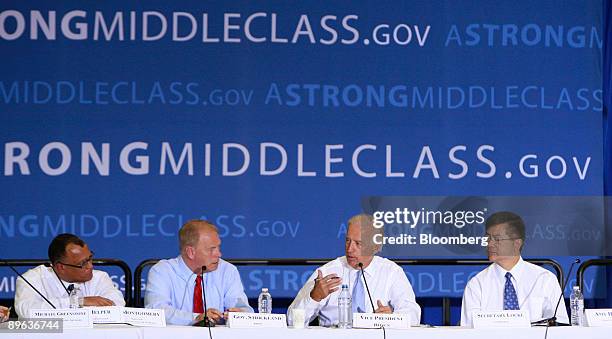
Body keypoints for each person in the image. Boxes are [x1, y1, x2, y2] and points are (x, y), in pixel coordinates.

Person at [287, 214, 421, 327]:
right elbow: (292, 321)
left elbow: (413, 314)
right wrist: (314, 297)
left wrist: (393, 318)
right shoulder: (326, 273)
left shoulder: (391, 272)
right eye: (347, 241)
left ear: (376, 246)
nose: (349, 249)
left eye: (358, 243)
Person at [460, 211, 569, 327]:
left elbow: (560, 327)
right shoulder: (477, 284)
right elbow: (468, 331)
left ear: (516, 243)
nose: (490, 244)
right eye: (488, 238)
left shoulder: (544, 279)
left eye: (497, 239)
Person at [145, 220, 253, 325]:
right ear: (191, 252)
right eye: (212, 249)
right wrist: (196, 318)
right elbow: (156, 311)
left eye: (218, 247)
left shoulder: (227, 271)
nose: (219, 254)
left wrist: (239, 315)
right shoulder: (162, 271)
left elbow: (245, 310)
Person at [14, 233, 125, 317]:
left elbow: (117, 303)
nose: (90, 266)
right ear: (60, 267)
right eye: (83, 263)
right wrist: (79, 302)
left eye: (90, 258)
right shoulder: (31, 280)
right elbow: (28, 310)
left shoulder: (99, 277)